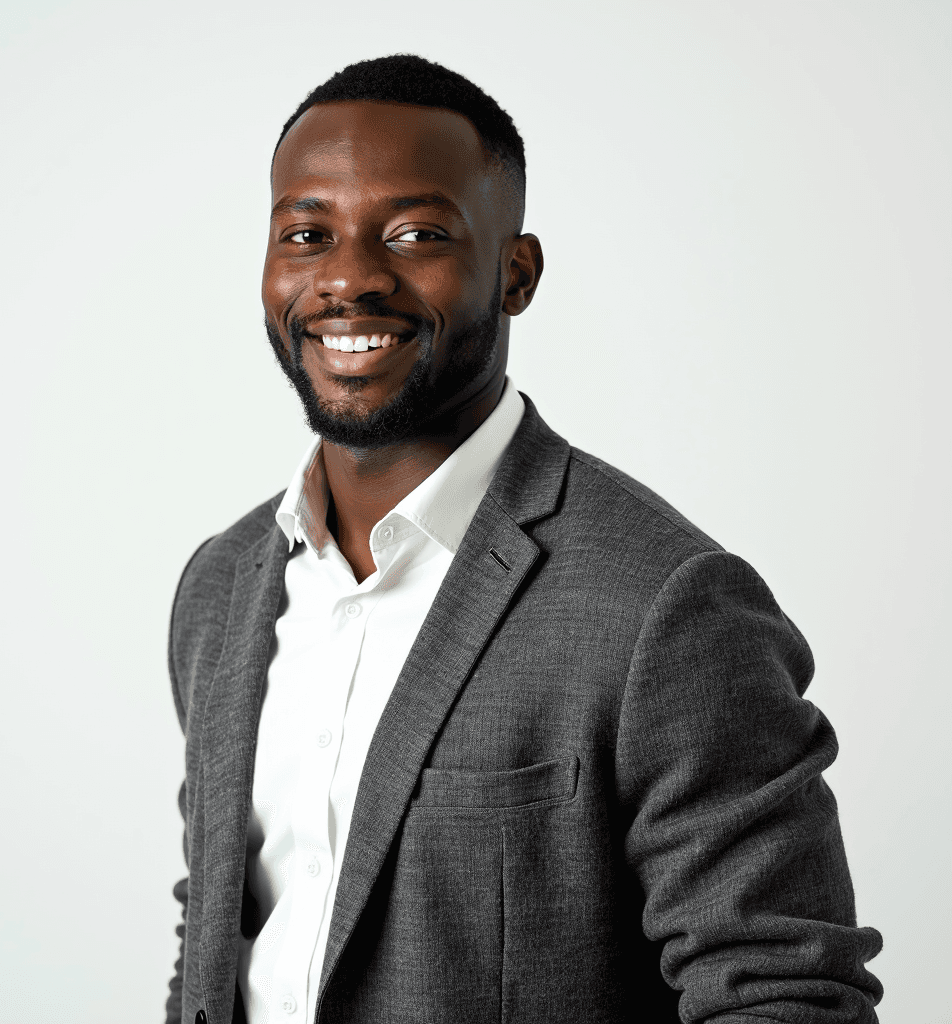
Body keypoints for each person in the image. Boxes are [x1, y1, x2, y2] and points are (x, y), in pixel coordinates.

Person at [165, 54, 882, 1024]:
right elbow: (227, 938)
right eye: (306, 232)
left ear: (516, 271)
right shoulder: (221, 587)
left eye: (416, 233)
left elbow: (780, 991)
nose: (349, 277)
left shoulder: (663, 605)